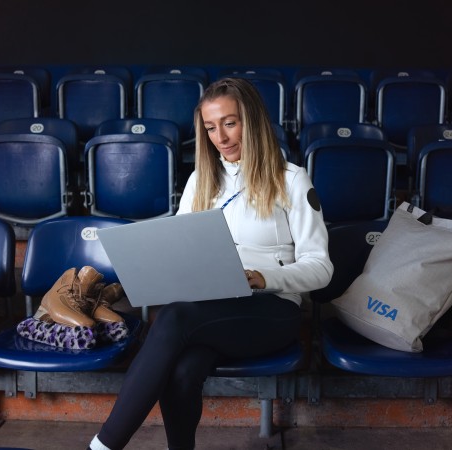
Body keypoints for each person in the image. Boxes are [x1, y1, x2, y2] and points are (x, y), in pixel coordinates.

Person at [87, 77, 333, 450]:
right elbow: (180, 251)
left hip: (271, 310)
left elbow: (321, 268)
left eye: (230, 123)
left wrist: (261, 278)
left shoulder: (292, 179)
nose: (221, 137)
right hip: (212, 309)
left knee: (171, 318)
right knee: (183, 370)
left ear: (252, 120)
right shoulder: (200, 180)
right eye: (211, 127)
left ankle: (102, 446)